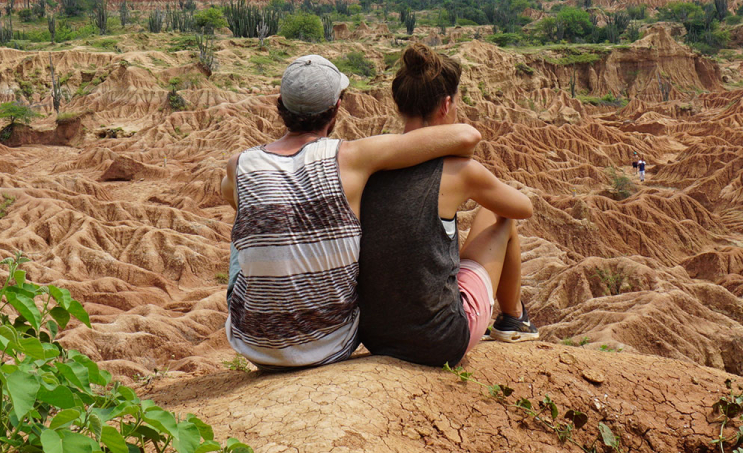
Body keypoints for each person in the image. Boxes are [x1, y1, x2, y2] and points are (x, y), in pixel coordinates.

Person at [224, 54, 483, 369]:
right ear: (336, 109)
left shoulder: (239, 165)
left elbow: (238, 201)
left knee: (247, 227)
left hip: (256, 347)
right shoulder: (351, 157)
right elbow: (467, 136)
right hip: (334, 342)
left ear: (281, 104)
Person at [357, 43, 537, 368]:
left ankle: (512, 319)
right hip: (440, 342)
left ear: (399, 105)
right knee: (501, 215)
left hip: (375, 335)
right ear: (447, 104)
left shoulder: (368, 165)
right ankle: (514, 320)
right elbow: (523, 208)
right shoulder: (458, 172)